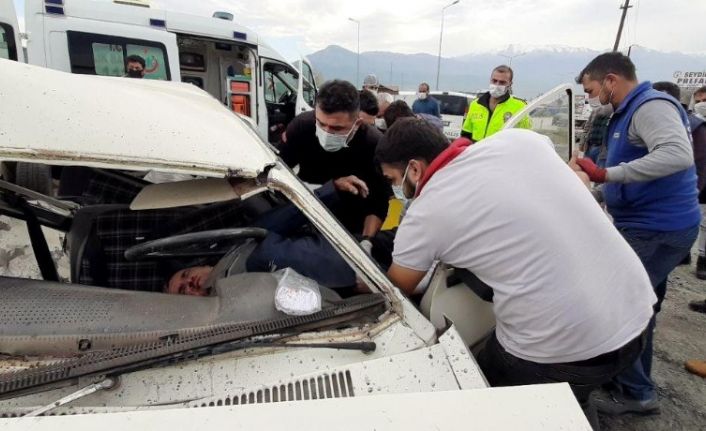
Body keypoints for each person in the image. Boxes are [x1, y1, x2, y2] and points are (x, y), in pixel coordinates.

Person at [376, 117, 654, 429]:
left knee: (479, 383)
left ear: (414, 169)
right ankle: (574, 408)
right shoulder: (520, 141)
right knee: (572, 395)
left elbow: (397, 289)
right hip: (636, 316)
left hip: (562, 354)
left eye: (392, 179)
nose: (396, 188)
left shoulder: (426, 212)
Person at [573, 52, 701, 415]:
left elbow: (677, 155)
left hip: (657, 228)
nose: (593, 97)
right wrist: (596, 192)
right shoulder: (624, 112)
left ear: (611, 80)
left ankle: (637, 393)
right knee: (641, 306)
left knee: (618, 305)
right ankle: (628, 377)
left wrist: (605, 176)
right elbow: (625, 171)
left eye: (593, 89)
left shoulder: (650, 107)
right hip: (648, 225)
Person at [278, 80, 390, 239]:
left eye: (337, 128)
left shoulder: (375, 145)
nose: (327, 132)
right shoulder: (301, 127)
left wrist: (366, 242)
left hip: (350, 227)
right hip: (306, 210)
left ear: (357, 123)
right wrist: (332, 187)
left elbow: (378, 204)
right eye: (321, 124)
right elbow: (279, 176)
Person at [653, 81, 706, 278]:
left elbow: (699, 167)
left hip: (678, 201)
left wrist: (687, 197)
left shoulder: (694, 126)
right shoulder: (653, 122)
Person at [461, 65, 530, 142]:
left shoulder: (520, 107)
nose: (497, 85)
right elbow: (466, 134)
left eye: (502, 82)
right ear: (490, 80)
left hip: (502, 152)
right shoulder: (475, 104)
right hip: (477, 152)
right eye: (494, 81)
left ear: (510, 84)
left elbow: (526, 137)